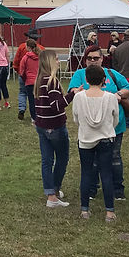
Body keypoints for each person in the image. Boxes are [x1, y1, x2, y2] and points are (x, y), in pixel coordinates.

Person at [69, 46, 129, 201]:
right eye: (89, 58)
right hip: (90, 126)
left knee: (115, 157)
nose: (92, 61)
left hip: (113, 125)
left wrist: (116, 95)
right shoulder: (79, 74)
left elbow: (128, 89)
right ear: (85, 60)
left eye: (95, 58)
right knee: (93, 161)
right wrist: (79, 92)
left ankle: (118, 189)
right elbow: (73, 91)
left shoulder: (111, 73)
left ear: (102, 59)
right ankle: (91, 189)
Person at [72, 64, 120, 223]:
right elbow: (115, 120)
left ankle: (84, 210)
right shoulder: (111, 97)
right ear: (104, 80)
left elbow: (76, 119)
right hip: (106, 138)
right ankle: (109, 212)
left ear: (86, 79)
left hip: (85, 139)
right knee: (106, 173)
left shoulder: (78, 97)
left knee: (86, 173)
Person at [34, 49, 71, 208]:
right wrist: (72, 95)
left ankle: (51, 194)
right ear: (50, 62)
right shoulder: (52, 81)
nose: (58, 61)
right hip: (55, 125)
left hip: (41, 125)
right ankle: (54, 192)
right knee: (62, 158)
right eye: (56, 59)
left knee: (47, 160)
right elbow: (56, 105)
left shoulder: (39, 80)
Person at [14, 30, 44, 119]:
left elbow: (16, 60)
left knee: (22, 92)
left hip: (24, 75)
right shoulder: (41, 49)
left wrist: (17, 70)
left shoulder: (22, 47)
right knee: (37, 97)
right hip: (37, 77)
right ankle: (37, 114)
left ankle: (22, 108)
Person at [18, 39, 40, 122]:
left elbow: (22, 70)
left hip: (29, 81)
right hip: (39, 81)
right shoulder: (40, 56)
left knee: (31, 100)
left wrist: (24, 78)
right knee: (38, 99)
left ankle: (33, 118)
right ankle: (40, 115)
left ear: (28, 47)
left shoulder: (26, 58)